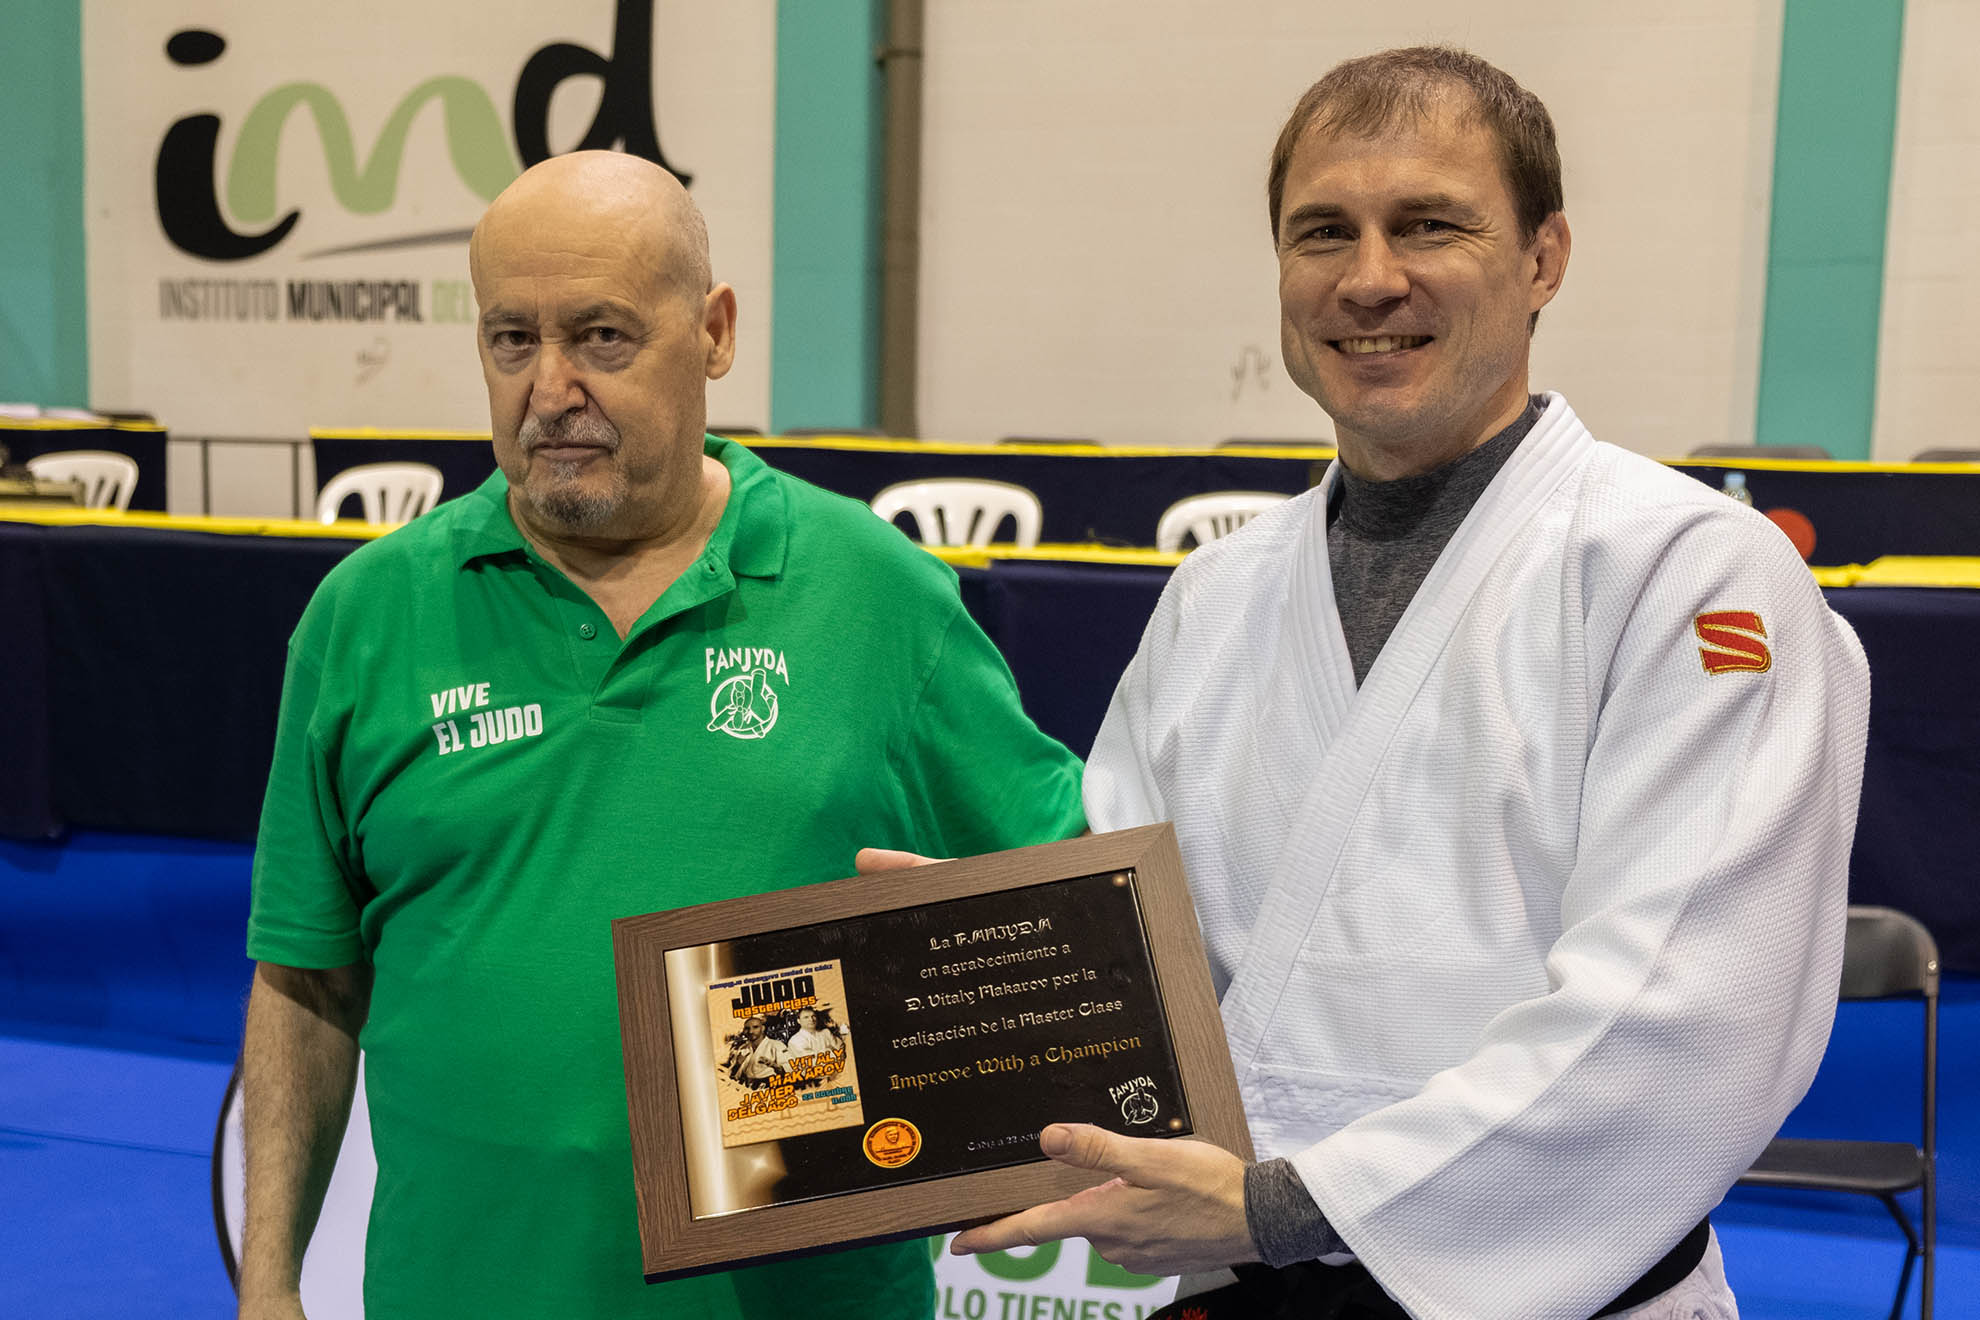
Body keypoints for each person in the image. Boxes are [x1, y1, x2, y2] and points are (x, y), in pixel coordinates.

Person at [914, 47, 1871, 1320]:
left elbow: (1685, 1018)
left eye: (1429, 225)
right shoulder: (1216, 597)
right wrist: (971, 975)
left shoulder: (1689, 575)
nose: (1369, 279)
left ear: (1544, 259)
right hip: (1237, 1285)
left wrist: (1288, 1204)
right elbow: (1141, 949)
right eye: (1323, 232)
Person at [236, 150, 1086, 1320]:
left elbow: (1073, 912)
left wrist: (930, 1038)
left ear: (715, 333)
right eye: (512, 340)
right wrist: (269, 1281)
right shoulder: (366, 615)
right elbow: (305, 980)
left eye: (602, 337)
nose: (551, 389)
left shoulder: (877, 595)